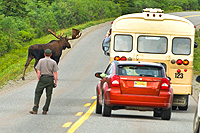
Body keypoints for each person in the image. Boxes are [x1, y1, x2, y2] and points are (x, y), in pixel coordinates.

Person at [29, 49, 59, 115]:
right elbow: (55, 73)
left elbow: (38, 71)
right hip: (50, 79)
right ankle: (45, 110)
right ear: (51, 55)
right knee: (48, 95)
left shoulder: (41, 61)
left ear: (44, 54)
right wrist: (55, 82)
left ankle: (35, 109)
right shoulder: (53, 62)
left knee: (37, 93)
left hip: (43, 78)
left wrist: (39, 78)